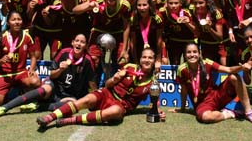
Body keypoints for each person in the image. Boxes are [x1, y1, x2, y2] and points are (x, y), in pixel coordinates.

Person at [36, 47, 165, 128]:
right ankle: (50, 117)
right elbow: (108, 84)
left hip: (121, 106)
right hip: (107, 94)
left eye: (150, 58)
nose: (146, 60)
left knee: (115, 112)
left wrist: (159, 112)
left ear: (154, 61)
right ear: (140, 59)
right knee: (85, 100)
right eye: (144, 57)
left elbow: (156, 104)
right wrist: (115, 79)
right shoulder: (129, 67)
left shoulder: (153, 83)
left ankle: (71, 120)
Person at [0, 34, 96, 119]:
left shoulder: (88, 61)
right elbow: (52, 75)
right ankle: (5, 108)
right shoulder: (64, 53)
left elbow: (91, 83)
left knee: (72, 104)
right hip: (55, 87)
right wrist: (60, 69)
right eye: (77, 41)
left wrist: (96, 99)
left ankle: (37, 106)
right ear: (72, 43)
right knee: (45, 88)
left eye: (82, 42)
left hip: (70, 95)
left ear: (86, 46)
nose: (79, 44)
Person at [172, 43, 252, 124]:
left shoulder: (207, 63)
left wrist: (242, 67)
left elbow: (228, 70)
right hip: (203, 104)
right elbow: (183, 90)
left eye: (195, 52)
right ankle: (231, 113)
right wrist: (182, 108)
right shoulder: (181, 70)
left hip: (217, 96)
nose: (192, 55)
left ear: (199, 54)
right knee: (206, 117)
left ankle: (249, 112)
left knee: (234, 77)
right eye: (189, 52)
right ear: (184, 55)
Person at [0, 11, 41, 109]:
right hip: (4, 75)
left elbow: (33, 56)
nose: (17, 22)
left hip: (21, 73)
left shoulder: (27, 36)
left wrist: (32, 69)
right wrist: (1, 60)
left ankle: (21, 91)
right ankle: (10, 94)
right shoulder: (1, 37)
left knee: (35, 81)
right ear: (8, 23)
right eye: (13, 20)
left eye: (19, 19)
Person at [158, 0, 196, 65]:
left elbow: (196, 31)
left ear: (180, 4)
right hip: (173, 42)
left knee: (189, 64)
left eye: (176, 3)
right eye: (171, 3)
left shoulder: (186, 13)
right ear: (167, 4)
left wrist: (187, 23)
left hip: (188, 41)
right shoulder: (163, 12)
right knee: (174, 64)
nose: (173, 6)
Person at [189, 0, 226, 65]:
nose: (197, 6)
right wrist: (187, 23)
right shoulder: (193, 11)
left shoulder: (215, 13)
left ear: (207, 3)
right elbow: (198, 33)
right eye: (195, 3)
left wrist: (209, 28)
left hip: (220, 45)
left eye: (201, 3)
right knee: (208, 68)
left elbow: (220, 38)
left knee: (223, 67)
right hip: (205, 43)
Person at [129, 0, 164, 67]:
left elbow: (159, 39)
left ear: (150, 6)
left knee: (163, 62)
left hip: (154, 45)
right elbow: (132, 42)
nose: (142, 8)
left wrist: (158, 59)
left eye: (144, 5)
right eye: (139, 5)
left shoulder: (157, 17)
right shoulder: (133, 18)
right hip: (139, 46)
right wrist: (135, 62)